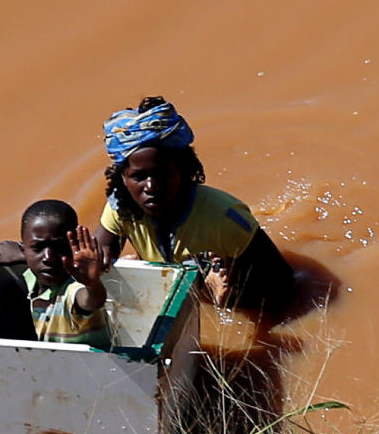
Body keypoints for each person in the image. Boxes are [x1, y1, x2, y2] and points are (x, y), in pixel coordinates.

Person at [97, 97, 295, 313]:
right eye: (139, 177)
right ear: (123, 179)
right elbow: (97, 260)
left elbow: (284, 287)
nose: (151, 186)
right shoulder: (121, 207)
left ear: (183, 171)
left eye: (163, 174)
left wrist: (232, 299)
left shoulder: (224, 219)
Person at [0, 200, 112, 349]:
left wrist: (92, 285)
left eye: (59, 247)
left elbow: (91, 301)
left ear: (74, 247)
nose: (49, 257)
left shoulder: (74, 287)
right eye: (37, 248)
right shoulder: (25, 283)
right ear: (23, 250)